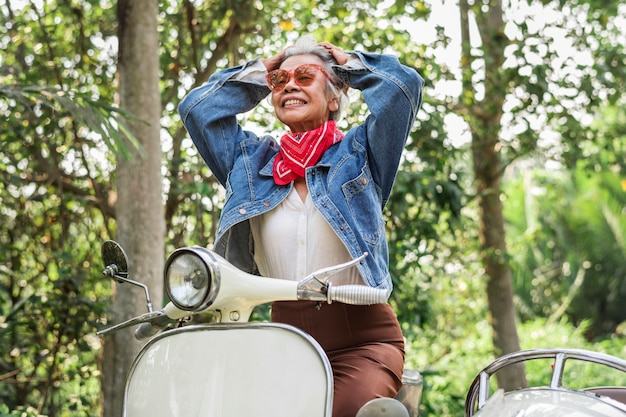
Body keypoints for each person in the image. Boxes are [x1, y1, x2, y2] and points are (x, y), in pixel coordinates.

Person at [179, 35, 424, 417]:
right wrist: (260, 71)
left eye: (306, 76)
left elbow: (403, 89)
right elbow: (197, 109)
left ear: (333, 98)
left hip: (363, 340)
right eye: (280, 81)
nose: (290, 84)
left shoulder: (361, 154)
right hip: (285, 341)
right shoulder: (250, 164)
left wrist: (349, 63)